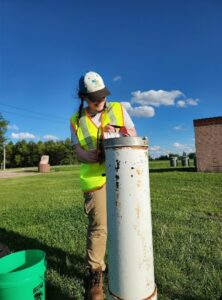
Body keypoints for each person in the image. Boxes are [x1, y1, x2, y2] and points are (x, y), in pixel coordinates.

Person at [70, 71, 137, 300]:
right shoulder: (74, 120)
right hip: (94, 180)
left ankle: (126, 268)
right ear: (83, 97)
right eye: (94, 98)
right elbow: (76, 147)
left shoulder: (118, 109)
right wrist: (85, 156)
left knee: (126, 223)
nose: (100, 101)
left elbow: (132, 135)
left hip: (121, 176)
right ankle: (95, 275)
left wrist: (116, 132)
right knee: (99, 228)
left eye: (102, 96)